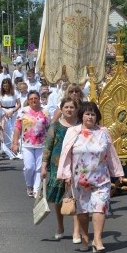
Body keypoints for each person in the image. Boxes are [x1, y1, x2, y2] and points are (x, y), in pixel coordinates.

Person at [57, 102, 124, 253]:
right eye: (87, 113)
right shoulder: (73, 131)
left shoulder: (103, 131)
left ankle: (98, 239)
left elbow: (111, 153)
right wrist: (66, 174)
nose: (90, 117)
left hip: (101, 178)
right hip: (79, 179)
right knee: (82, 211)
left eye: (93, 114)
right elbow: (65, 154)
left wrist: (118, 173)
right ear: (81, 115)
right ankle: (85, 237)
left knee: (100, 207)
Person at [41, 97, 81, 242]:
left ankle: (77, 231)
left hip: (76, 165)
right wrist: (44, 166)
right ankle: (60, 226)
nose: (69, 110)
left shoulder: (81, 126)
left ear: (76, 109)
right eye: (66, 107)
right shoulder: (55, 126)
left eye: (72, 107)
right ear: (62, 109)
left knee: (76, 197)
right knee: (58, 199)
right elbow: (48, 146)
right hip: (57, 165)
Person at [12, 90, 51, 198]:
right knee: (29, 167)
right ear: (28, 101)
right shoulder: (23, 111)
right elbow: (17, 128)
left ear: (39, 99)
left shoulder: (45, 112)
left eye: (36, 98)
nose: (34, 100)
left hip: (41, 144)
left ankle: (36, 189)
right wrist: (15, 143)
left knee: (39, 168)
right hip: (27, 144)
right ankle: (29, 184)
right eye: (31, 99)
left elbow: (49, 127)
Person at [0, 78, 20, 159]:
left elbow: (18, 104)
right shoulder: (0, 94)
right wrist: (5, 112)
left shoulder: (15, 93)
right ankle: (6, 149)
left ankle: (15, 148)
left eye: (7, 86)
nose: (5, 88)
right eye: (4, 86)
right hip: (4, 112)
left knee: (14, 130)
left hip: (13, 112)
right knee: (5, 131)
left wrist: (12, 111)